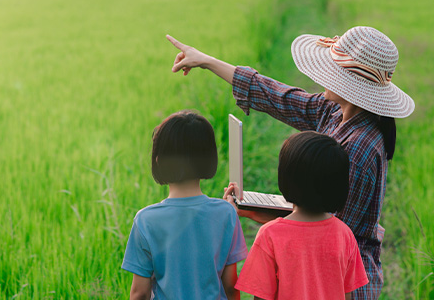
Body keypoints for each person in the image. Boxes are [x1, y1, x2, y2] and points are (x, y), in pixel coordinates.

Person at [166, 26, 415, 299]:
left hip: (340, 281)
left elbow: (325, 229)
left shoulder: (359, 147)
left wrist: (272, 219)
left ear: (350, 85)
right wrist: (207, 61)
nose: (325, 74)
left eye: (332, 68)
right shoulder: (334, 111)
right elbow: (278, 97)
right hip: (320, 272)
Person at [121, 110, 248, 300]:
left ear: (159, 161)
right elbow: (230, 287)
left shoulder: (146, 221)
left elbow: (140, 293)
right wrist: (226, 209)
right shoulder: (227, 214)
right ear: (210, 158)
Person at [234, 131, 369, 299]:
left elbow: (261, 296)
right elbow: (347, 295)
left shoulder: (270, 235)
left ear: (287, 178)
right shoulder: (344, 234)